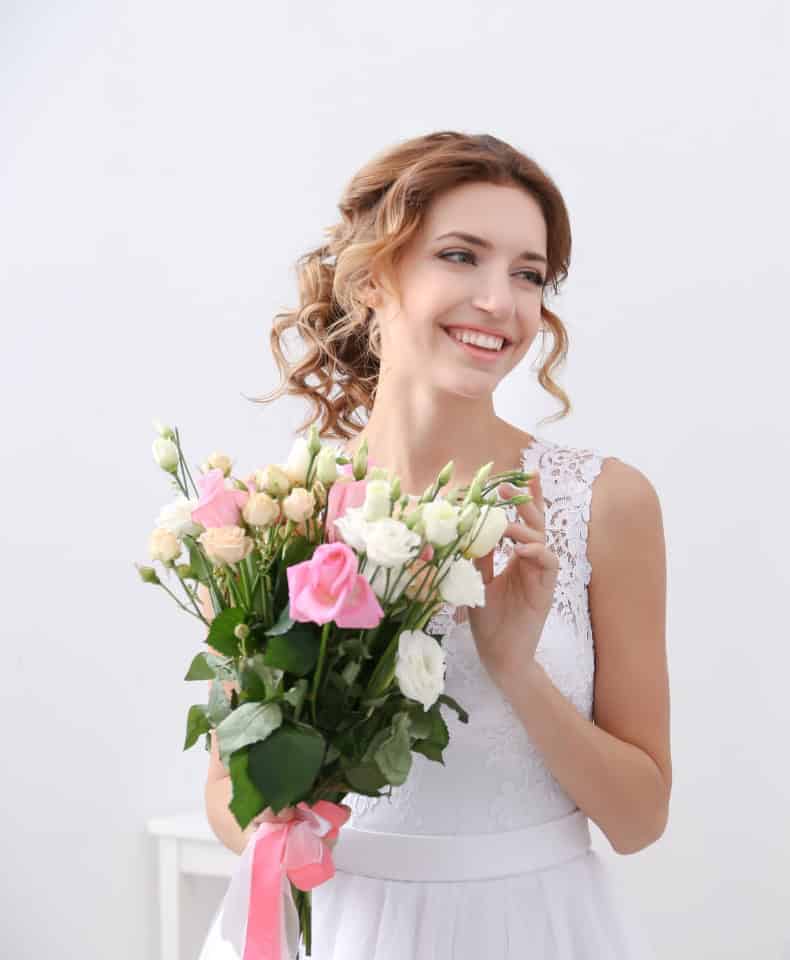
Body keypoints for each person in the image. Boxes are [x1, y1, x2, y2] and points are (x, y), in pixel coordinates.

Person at [200, 131, 670, 959]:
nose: (502, 301)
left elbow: (639, 821)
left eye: (529, 273)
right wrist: (281, 808)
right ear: (374, 275)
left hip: (532, 929)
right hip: (342, 928)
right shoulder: (274, 515)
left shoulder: (603, 503)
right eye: (462, 256)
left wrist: (514, 667)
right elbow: (227, 801)